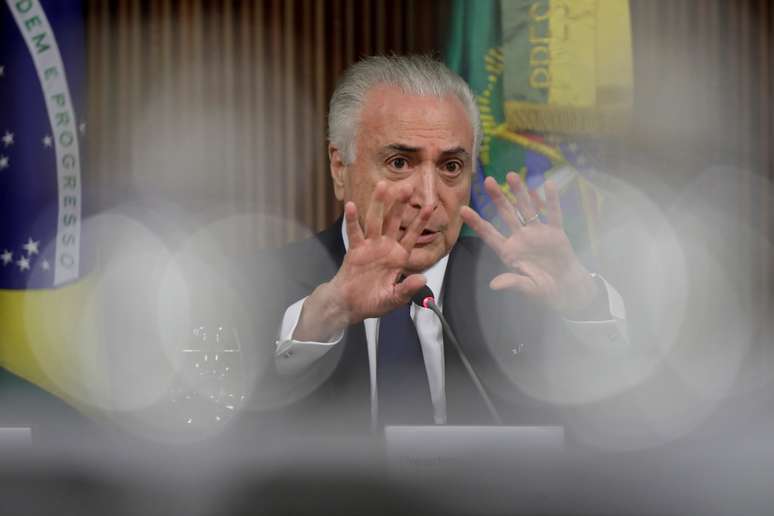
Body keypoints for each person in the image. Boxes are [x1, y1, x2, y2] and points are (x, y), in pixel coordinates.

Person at [256, 55, 626, 434]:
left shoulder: (521, 287)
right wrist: (324, 316)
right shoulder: (259, 284)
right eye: (400, 163)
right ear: (339, 168)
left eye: (451, 167)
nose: (429, 199)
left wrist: (583, 302)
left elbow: (622, 421)